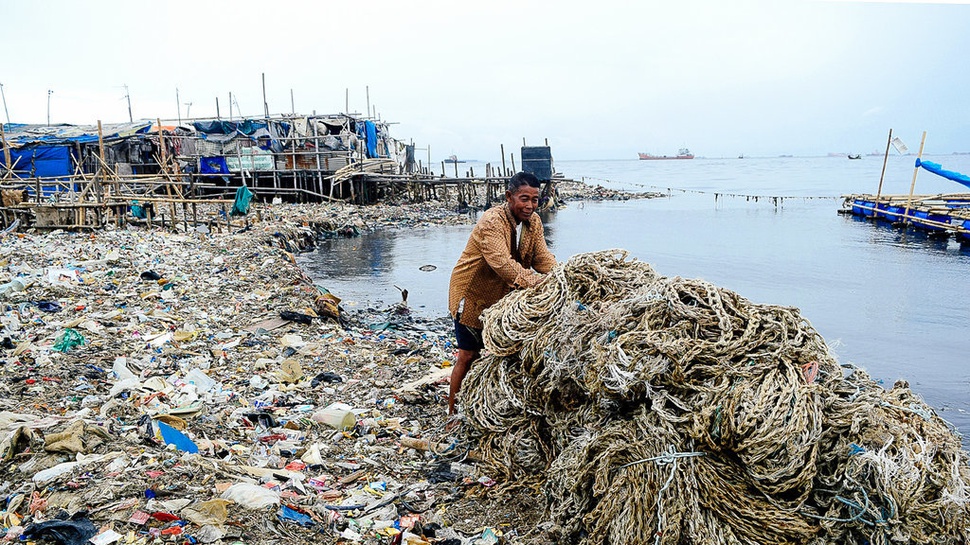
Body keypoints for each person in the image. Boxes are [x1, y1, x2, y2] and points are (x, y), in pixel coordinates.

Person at [447, 171, 557, 415]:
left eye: (535, 199)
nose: (530, 206)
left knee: (503, 351)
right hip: (472, 295)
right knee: (467, 355)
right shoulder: (492, 222)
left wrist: (563, 276)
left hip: (501, 296)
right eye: (524, 199)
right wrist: (539, 285)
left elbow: (542, 258)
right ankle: (453, 413)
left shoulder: (534, 223)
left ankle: (490, 403)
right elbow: (503, 264)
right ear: (509, 196)